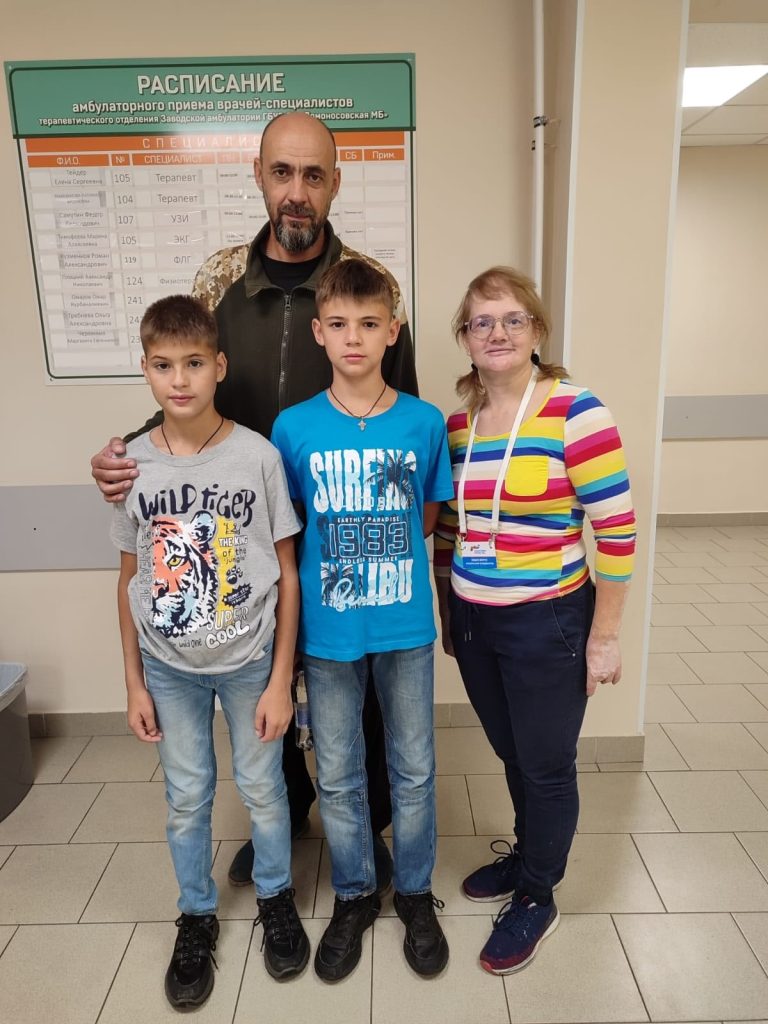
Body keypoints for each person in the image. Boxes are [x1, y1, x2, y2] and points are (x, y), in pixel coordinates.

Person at [90, 111, 418, 890]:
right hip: (239, 526)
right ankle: (286, 812)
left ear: (335, 184)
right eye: (282, 172)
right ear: (260, 177)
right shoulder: (220, 279)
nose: (297, 191)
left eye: (313, 175)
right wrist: (129, 453)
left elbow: (403, 410)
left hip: (340, 523)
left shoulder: (368, 282)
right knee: (262, 674)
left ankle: (363, 828)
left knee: (351, 689)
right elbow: (187, 380)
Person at [433, 267, 636, 976]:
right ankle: (526, 855)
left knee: (547, 766)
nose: (497, 332)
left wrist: (603, 637)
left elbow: (617, 534)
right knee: (513, 751)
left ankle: (538, 894)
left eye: (512, 319)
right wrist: (449, 610)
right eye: (482, 322)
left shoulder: (576, 412)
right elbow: (451, 527)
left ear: (537, 331)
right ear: (465, 338)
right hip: (476, 618)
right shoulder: (458, 426)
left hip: (547, 619)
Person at [111, 295, 309, 1010]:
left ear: (219, 366)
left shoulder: (257, 456)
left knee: (263, 788)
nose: (180, 379)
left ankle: (276, 897)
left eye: (194, 363)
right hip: (169, 670)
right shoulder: (131, 467)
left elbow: (287, 573)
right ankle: (196, 913)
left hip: (251, 661)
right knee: (186, 796)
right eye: (163, 366)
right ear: (146, 371)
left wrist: (282, 679)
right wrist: (133, 682)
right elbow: (128, 580)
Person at [271, 259, 454, 982]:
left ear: (392, 332)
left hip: (403, 625)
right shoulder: (292, 427)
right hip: (329, 632)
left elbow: (426, 516)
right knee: (340, 771)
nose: (354, 338)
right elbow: (290, 529)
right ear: (319, 332)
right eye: (340, 324)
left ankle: (413, 892)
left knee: (413, 768)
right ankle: (354, 894)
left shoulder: (423, 422)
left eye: (369, 324)